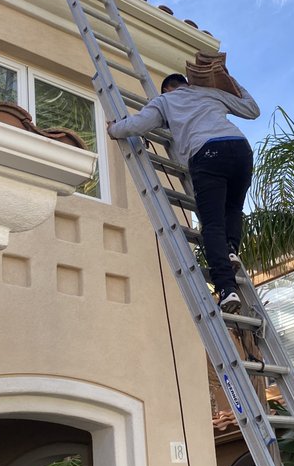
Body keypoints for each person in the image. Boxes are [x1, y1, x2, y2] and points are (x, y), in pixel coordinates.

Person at [107, 72, 260, 313]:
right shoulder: (210, 93)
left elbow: (139, 124)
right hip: (241, 150)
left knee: (212, 224)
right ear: (187, 83)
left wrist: (114, 129)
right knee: (233, 208)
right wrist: (230, 80)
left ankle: (226, 289)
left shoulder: (165, 101)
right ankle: (230, 250)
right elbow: (252, 110)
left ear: (167, 89)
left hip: (207, 153)